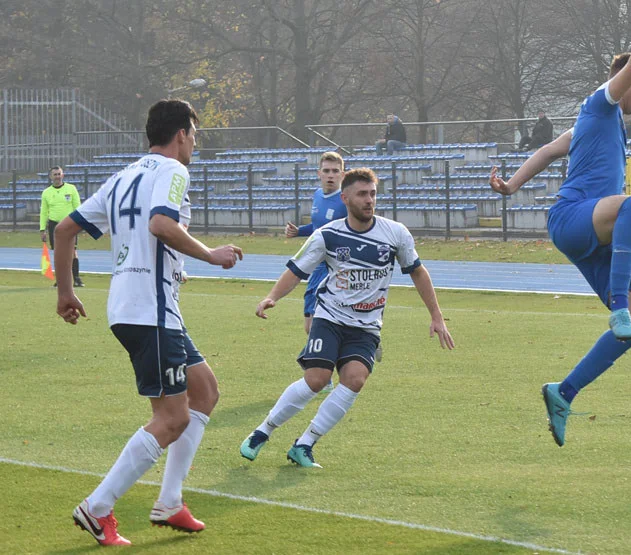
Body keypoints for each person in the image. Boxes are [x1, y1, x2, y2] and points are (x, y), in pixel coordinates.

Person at [489, 0, 631, 446]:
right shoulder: (600, 105)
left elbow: (545, 153)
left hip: (591, 234)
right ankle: (617, 303)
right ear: (629, 79)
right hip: (571, 217)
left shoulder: (599, 125)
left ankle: (562, 393)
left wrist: (511, 186)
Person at [54, 99, 244, 546]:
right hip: (150, 309)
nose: (194, 144)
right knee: (173, 417)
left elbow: (64, 230)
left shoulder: (122, 177)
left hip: (138, 308)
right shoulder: (173, 171)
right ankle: (97, 508)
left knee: (205, 392)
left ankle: (170, 501)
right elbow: (161, 224)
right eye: (194, 135)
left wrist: (65, 291)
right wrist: (211, 255)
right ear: (181, 134)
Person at [239, 168, 454, 468]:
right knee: (317, 379)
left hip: (366, 326)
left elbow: (417, 271)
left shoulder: (395, 234)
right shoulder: (327, 235)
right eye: (362, 194)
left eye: (373, 194)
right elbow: (296, 270)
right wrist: (272, 296)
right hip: (330, 318)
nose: (369, 200)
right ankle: (263, 431)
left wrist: (437, 316)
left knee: (355, 379)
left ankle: (305, 444)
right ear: (346, 198)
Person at [284, 151, 347, 334]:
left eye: (335, 171)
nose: (330, 175)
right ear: (319, 173)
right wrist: (299, 231)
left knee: (313, 325)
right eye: (326, 170)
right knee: (310, 324)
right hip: (316, 263)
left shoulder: (346, 201)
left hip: (335, 266)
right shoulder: (318, 194)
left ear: (342, 175)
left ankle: (362, 341)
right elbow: (319, 227)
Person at [40, 166, 84, 287]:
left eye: (59, 174)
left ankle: (76, 279)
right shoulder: (46, 193)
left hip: (70, 224)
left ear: (63, 175)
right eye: (55, 174)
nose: (57, 176)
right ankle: (61, 280)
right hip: (54, 225)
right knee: (58, 253)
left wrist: (79, 223)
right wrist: (42, 229)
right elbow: (44, 212)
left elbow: (77, 207)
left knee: (73, 251)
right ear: (50, 177)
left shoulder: (71, 189)